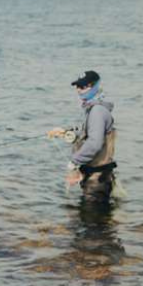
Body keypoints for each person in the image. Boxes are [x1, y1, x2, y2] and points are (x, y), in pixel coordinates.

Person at [48, 70, 117, 207]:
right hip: (96, 177)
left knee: (92, 223)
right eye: (77, 86)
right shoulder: (93, 109)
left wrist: (74, 162)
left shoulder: (97, 111)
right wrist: (65, 133)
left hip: (97, 179)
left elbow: (94, 143)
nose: (79, 90)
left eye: (84, 87)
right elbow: (89, 135)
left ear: (96, 86)